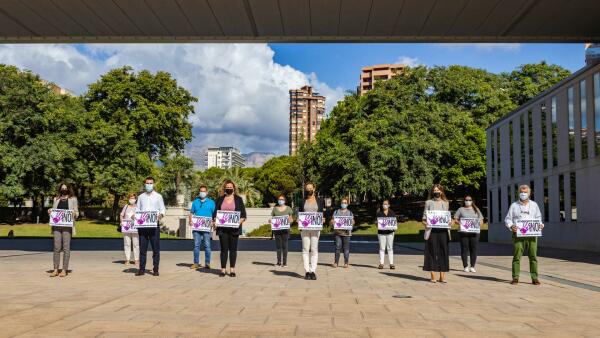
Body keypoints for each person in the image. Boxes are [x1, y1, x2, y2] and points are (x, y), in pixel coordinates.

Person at [505, 184, 544, 285]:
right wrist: (511, 226)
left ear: (529, 193)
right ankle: (515, 277)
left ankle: (534, 277)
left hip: (532, 235)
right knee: (517, 256)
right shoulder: (514, 205)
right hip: (518, 235)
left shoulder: (534, 205)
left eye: (525, 192)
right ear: (518, 193)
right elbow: (508, 219)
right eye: (521, 192)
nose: (523, 194)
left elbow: (538, 217)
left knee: (533, 256)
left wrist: (540, 225)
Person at [214, 180, 247, 277]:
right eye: (227, 187)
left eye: (230, 187)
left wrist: (238, 223)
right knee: (224, 249)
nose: (229, 188)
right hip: (222, 229)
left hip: (234, 229)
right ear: (224, 188)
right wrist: (215, 220)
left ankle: (232, 269)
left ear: (233, 188)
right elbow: (215, 213)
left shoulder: (238, 199)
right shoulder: (219, 199)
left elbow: (243, 215)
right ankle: (223, 269)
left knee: (233, 249)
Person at [134, 177, 165, 276]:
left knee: (156, 249)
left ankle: (155, 269)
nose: (149, 185)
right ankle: (141, 269)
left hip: (154, 226)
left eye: (151, 183)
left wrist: (160, 215)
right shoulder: (141, 197)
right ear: (144, 184)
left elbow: (162, 209)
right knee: (142, 249)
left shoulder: (158, 196)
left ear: (153, 184)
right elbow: (137, 209)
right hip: (142, 227)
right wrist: (134, 215)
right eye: (147, 183)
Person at [48, 183, 79, 277]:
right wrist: (50, 211)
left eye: (66, 188)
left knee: (66, 248)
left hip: (67, 227)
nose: (64, 189)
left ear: (69, 189)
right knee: (56, 247)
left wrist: (74, 213)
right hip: (57, 226)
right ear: (60, 189)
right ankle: (55, 269)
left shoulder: (73, 199)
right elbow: (53, 211)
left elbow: (77, 213)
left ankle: (64, 269)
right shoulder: (56, 199)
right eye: (62, 188)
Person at [422, 184, 450, 283]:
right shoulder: (428, 202)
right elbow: (424, 218)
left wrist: (449, 222)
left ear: (441, 192)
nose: (436, 192)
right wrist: (426, 224)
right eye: (434, 190)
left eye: (438, 190)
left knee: (443, 252)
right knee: (431, 251)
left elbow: (447, 217)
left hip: (443, 231)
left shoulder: (446, 203)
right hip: (432, 231)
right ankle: (433, 275)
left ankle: (442, 276)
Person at [453, 195, 484, 273]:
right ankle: (465, 266)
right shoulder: (460, 209)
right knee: (464, 249)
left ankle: (472, 266)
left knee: (473, 249)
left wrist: (480, 223)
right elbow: (455, 219)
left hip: (474, 232)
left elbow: (481, 220)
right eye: (466, 200)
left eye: (469, 200)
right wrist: (460, 223)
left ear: (472, 201)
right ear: (464, 201)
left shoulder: (476, 209)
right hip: (463, 232)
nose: (468, 201)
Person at [300, 182, 324, 280]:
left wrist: (323, 219)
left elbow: (321, 213)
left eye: (310, 188)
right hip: (305, 229)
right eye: (307, 188)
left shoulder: (319, 201)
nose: (308, 190)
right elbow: (300, 213)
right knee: (305, 250)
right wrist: (299, 219)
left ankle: (313, 271)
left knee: (314, 249)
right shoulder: (302, 201)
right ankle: (307, 271)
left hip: (315, 228)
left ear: (314, 189)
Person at [189, 185, 216, 271]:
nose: (202, 193)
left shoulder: (212, 202)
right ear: (199, 192)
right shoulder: (195, 202)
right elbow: (191, 213)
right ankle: (196, 263)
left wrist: (213, 222)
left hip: (207, 228)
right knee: (196, 245)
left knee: (207, 246)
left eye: (204, 191)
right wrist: (190, 220)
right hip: (196, 228)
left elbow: (215, 215)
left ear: (206, 192)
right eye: (201, 191)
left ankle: (207, 263)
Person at [269, 194, 293, 267]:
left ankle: (285, 262)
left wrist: (290, 220)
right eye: (279, 199)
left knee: (285, 246)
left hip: (285, 230)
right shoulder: (275, 209)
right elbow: (272, 218)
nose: (280, 201)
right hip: (277, 230)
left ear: (284, 200)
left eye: (282, 199)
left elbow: (291, 219)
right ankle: (279, 262)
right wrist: (270, 221)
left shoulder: (288, 208)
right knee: (278, 246)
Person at [330, 197, 354, 268]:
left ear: (347, 204)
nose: (344, 204)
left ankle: (346, 262)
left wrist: (353, 222)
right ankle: (336, 262)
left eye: (345, 203)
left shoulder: (350, 213)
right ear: (340, 204)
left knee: (346, 248)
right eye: (342, 203)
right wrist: (332, 222)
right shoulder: (336, 212)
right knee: (337, 247)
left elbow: (353, 221)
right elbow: (332, 221)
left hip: (347, 233)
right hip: (338, 233)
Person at [120, 193, 139, 266]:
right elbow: (121, 215)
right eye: (130, 198)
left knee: (136, 244)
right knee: (127, 243)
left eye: (133, 198)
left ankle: (136, 260)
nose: (132, 199)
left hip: (135, 228)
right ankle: (127, 259)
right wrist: (121, 222)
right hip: (126, 227)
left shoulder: (138, 207)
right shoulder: (126, 206)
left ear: (136, 199)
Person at [376, 200, 396, 270]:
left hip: (390, 233)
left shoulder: (392, 213)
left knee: (390, 248)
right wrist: (377, 224)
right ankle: (381, 263)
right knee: (382, 248)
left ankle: (391, 264)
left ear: (389, 205)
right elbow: (376, 223)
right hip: (381, 233)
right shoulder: (379, 214)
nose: (384, 205)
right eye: (383, 204)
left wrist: (394, 226)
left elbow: (394, 222)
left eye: (386, 204)